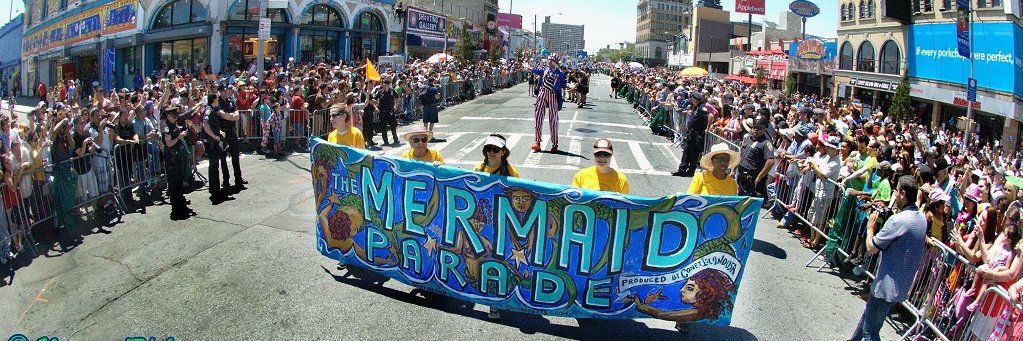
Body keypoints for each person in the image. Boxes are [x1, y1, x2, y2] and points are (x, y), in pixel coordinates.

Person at [848, 175, 926, 341]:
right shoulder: (921, 219)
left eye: (896, 191)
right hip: (900, 284)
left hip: (886, 286)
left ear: (903, 194)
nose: (894, 195)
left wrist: (870, 228)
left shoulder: (897, 220)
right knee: (869, 317)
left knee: (871, 332)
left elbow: (871, 248)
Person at [162, 106, 196, 220]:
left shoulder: (174, 124)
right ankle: (176, 207)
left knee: (179, 181)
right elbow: (169, 143)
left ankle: (181, 202)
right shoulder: (166, 127)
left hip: (178, 156)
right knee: (174, 183)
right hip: (171, 157)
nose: (175, 117)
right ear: (168, 116)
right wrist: (179, 137)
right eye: (173, 115)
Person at [528, 54, 567, 153]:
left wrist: (568, 85)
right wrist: (530, 68)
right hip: (542, 93)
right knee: (538, 117)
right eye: (549, 61)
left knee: (553, 120)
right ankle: (537, 142)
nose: (548, 62)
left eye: (550, 61)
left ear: (554, 63)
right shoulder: (545, 70)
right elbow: (537, 70)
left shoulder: (559, 73)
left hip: (552, 94)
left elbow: (564, 83)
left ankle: (554, 144)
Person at [736, 116, 775, 199]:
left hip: (752, 180)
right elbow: (741, 154)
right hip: (741, 176)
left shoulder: (765, 143)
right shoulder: (748, 138)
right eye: (754, 127)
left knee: (750, 202)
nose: (756, 130)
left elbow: (770, 161)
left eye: (759, 128)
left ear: (764, 129)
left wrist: (759, 177)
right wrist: (733, 169)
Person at [203, 94, 232, 205]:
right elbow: (206, 125)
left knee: (216, 166)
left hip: (216, 141)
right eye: (217, 100)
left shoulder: (213, 110)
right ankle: (214, 191)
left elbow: (214, 125)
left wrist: (219, 132)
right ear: (214, 100)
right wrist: (214, 136)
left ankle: (216, 189)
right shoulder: (209, 111)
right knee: (213, 167)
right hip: (212, 142)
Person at [672, 91, 708, 177]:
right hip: (691, 133)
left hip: (696, 134)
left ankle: (690, 171)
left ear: (696, 99)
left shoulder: (702, 108)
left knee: (693, 153)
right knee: (687, 152)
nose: (691, 99)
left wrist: (707, 128)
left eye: (692, 98)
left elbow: (710, 116)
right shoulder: (695, 107)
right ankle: (682, 170)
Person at [218, 84, 245, 190]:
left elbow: (237, 115)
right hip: (223, 132)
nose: (226, 92)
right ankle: (226, 180)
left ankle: (238, 178)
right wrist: (230, 116)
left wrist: (229, 116)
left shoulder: (231, 101)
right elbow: (223, 115)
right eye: (224, 91)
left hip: (232, 131)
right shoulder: (218, 102)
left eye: (226, 90)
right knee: (223, 158)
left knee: (235, 155)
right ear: (220, 91)